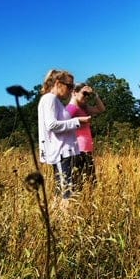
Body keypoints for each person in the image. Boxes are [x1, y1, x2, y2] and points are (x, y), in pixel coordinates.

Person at [37, 69, 91, 201]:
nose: (71, 89)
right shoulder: (49, 99)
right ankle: (64, 220)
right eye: (70, 86)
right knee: (66, 195)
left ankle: (60, 219)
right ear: (58, 83)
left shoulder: (55, 101)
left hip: (66, 153)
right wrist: (77, 121)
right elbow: (52, 125)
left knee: (65, 192)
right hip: (62, 153)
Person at [66, 83, 106, 188]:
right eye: (84, 93)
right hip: (77, 151)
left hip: (86, 150)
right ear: (74, 93)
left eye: (88, 95)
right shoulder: (71, 108)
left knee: (91, 184)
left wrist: (95, 95)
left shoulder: (83, 108)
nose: (87, 97)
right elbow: (61, 125)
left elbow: (101, 109)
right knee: (78, 184)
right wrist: (78, 120)